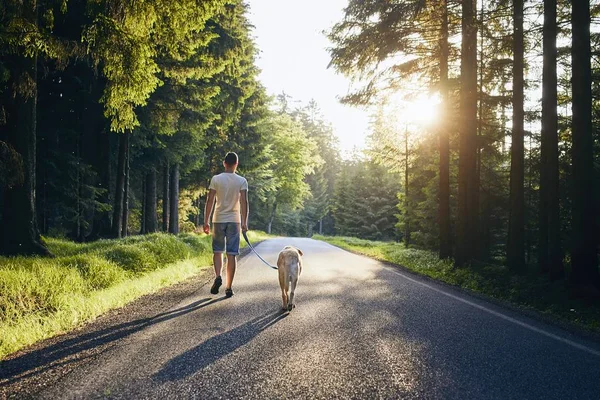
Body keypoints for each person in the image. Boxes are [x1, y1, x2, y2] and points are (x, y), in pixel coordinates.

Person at [203, 152, 249, 298]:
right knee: (232, 254)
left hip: (218, 219)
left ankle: (218, 276)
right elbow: (244, 202)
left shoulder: (216, 179)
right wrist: (245, 222)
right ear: (236, 164)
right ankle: (229, 287)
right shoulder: (242, 181)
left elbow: (210, 200)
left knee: (217, 251)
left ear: (224, 163)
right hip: (234, 220)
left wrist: (206, 221)